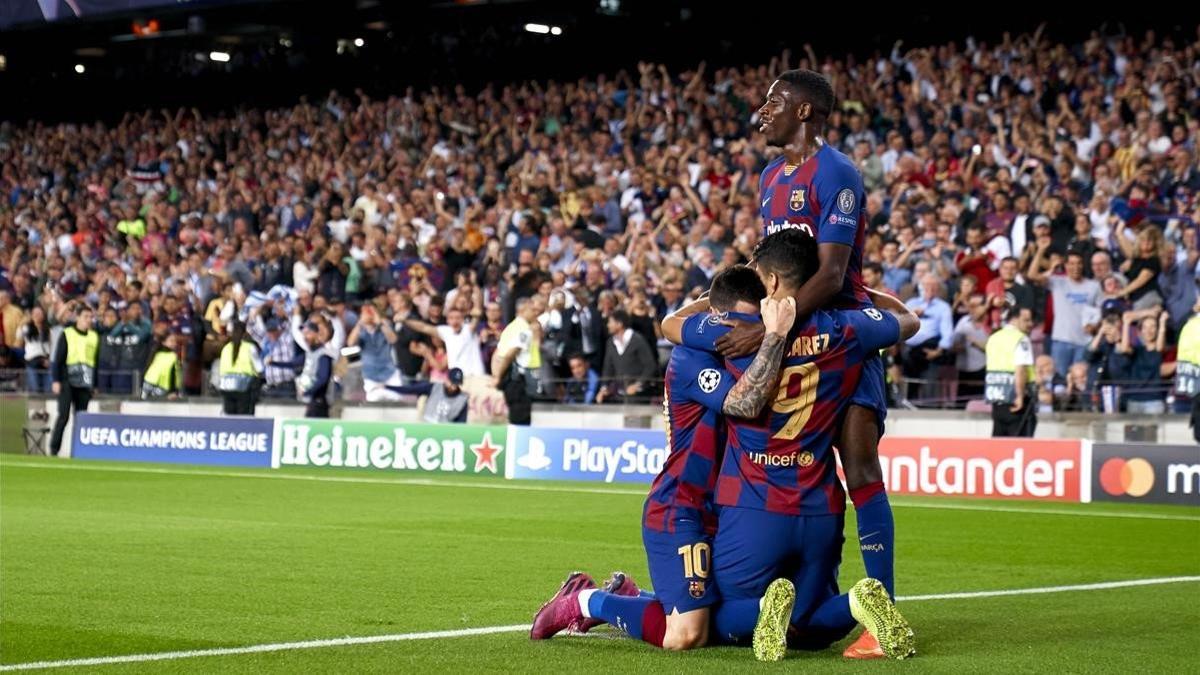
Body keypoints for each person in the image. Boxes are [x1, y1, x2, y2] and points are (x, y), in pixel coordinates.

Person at [683, 70, 901, 659]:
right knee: (766, 443)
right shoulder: (768, 178)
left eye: (775, 101)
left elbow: (830, 274)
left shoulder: (836, 173)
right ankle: (800, 586)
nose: (762, 110)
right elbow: (774, 267)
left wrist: (767, 328)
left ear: (805, 111)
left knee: (858, 466)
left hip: (840, 335)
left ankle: (882, 612)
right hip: (783, 339)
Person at [531, 265, 798, 651]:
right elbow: (744, 403)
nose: (745, 328)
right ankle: (584, 599)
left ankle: (632, 595)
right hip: (681, 505)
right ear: (718, 318)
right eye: (738, 319)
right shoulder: (691, 358)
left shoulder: (735, 353)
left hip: (729, 509)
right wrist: (773, 335)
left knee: (721, 616)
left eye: (753, 319)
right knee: (686, 636)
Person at [1026, 246, 1101, 377]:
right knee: (1058, 380)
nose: (1075, 267)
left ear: (1083, 265)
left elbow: (1100, 311)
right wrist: (1041, 251)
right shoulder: (1057, 282)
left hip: (1084, 342)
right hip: (1061, 341)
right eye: (1071, 264)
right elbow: (1032, 275)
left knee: (1080, 381)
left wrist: (1095, 326)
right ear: (1065, 265)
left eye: (1079, 263)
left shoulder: (1093, 286)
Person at [49, 305, 98, 456]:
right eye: (85, 317)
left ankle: (77, 451)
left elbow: (95, 362)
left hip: (85, 383)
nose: (88, 320)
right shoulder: (67, 334)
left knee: (81, 418)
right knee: (63, 415)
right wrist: (56, 380)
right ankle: (54, 449)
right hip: (67, 380)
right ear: (77, 317)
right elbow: (58, 358)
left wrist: (95, 384)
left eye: (90, 317)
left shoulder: (94, 337)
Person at [985, 306, 1036, 437]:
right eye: (1026, 320)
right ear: (1015, 319)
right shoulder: (1021, 339)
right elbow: (1020, 369)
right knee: (1020, 442)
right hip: (1015, 398)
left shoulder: (993, 338)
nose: (1031, 324)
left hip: (996, 397)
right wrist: (1019, 396)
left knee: (999, 443)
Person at [492, 297, 541, 425]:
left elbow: (497, 354)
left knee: (514, 416)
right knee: (521, 419)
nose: (536, 313)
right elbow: (510, 354)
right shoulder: (524, 329)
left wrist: (497, 375)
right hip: (517, 380)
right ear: (523, 309)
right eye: (532, 309)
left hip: (507, 378)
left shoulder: (510, 327)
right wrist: (497, 377)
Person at [597, 310, 657, 404]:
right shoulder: (610, 343)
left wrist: (637, 385)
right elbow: (608, 368)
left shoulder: (637, 340)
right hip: (618, 395)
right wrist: (604, 388)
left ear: (619, 324)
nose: (608, 325)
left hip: (639, 396)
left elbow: (650, 366)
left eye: (610, 322)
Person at [347, 304, 404, 402]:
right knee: (373, 404)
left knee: (397, 402)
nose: (369, 315)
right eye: (365, 312)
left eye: (370, 312)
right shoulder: (360, 330)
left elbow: (393, 339)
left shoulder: (385, 325)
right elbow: (350, 343)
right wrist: (360, 323)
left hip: (389, 372)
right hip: (370, 375)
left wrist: (380, 323)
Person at [1118, 310, 1168, 415]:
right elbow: (1124, 348)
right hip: (1134, 399)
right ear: (1140, 332)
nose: (1149, 331)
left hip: (1154, 400)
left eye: (1153, 326)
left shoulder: (1159, 349)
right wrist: (1127, 323)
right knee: (1134, 431)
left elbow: (1159, 346)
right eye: (1145, 327)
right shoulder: (1137, 350)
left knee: (1152, 431)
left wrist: (1162, 323)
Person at [388, 367, 470, 424]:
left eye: (456, 384)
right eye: (452, 383)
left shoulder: (462, 400)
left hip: (445, 435)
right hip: (427, 429)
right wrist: (387, 387)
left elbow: (461, 424)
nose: (453, 387)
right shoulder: (434, 387)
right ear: (446, 379)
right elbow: (410, 389)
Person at [216, 320, 262, 415]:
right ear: (245, 333)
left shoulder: (226, 348)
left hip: (227, 386)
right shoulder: (250, 347)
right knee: (244, 417)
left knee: (230, 417)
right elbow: (260, 368)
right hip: (244, 386)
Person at [952, 293, 989, 401]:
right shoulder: (963, 321)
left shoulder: (990, 325)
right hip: (964, 370)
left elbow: (994, 350)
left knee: (978, 403)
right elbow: (953, 345)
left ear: (984, 307)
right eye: (970, 306)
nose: (971, 309)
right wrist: (956, 347)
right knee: (961, 404)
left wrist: (974, 342)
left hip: (982, 369)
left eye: (975, 306)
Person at [141, 333, 182, 400]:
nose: (174, 343)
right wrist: (173, 391)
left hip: (147, 385)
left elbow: (147, 368)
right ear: (164, 342)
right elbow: (173, 375)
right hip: (162, 388)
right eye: (171, 341)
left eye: (175, 341)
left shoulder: (156, 353)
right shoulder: (172, 356)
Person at [21, 306, 52, 393]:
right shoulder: (26, 328)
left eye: (39, 313)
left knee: (48, 389)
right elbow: (19, 335)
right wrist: (25, 320)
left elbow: (51, 345)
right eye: (35, 314)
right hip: (32, 360)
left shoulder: (48, 329)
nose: (37, 316)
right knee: (34, 388)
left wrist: (49, 359)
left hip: (45, 360)